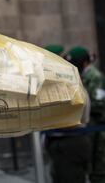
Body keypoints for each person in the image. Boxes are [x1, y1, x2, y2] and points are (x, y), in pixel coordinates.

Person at [45, 44, 92, 183]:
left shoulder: (65, 81)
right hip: (66, 139)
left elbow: (79, 113)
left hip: (70, 140)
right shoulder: (66, 78)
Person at [65, 46, 105, 183]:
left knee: (99, 165)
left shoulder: (94, 76)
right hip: (88, 126)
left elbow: (99, 103)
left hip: (97, 126)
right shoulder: (82, 75)